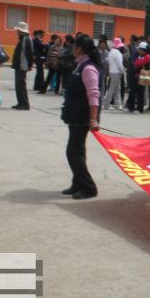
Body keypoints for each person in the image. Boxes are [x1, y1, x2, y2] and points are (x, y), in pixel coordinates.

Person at [60, 35, 102, 200]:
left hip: (82, 116)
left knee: (73, 152)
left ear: (79, 48)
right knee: (78, 150)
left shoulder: (88, 68)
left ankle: (88, 187)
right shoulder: (80, 65)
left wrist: (93, 118)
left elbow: (93, 95)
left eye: (75, 45)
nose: (72, 48)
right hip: (75, 114)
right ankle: (77, 183)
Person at [11, 22, 33, 110]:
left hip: (22, 65)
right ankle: (20, 102)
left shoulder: (26, 39)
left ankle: (25, 104)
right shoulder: (22, 38)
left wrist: (30, 65)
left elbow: (29, 53)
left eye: (18, 30)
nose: (17, 31)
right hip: (19, 65)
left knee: (21, 85)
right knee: (18, 85)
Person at [103, 38, 125, 110]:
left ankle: (118, 105)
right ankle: (106, 105)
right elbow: (120, 65)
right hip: (117, 72)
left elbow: (107, 61)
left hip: (112, 72)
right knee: (112, 89)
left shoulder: (111, 52)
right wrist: (122, 71)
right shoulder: (118, 53)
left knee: (116, 89)